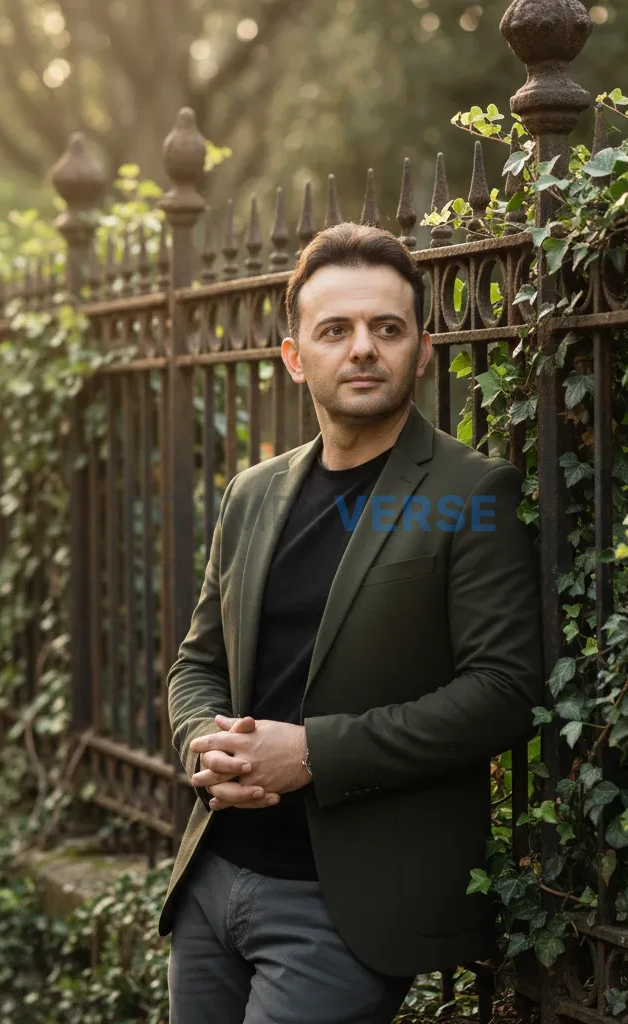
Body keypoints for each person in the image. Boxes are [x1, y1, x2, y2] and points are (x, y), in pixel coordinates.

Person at [157, 222, 543, 1023]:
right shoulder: (252, 493)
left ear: (423, 352)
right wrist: (202, 741)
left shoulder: (473, 493)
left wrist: (313, 754)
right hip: (211, 878)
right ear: (295, 355)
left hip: (344, 910)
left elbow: (504, 693)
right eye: (335, 329)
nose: (363, 348)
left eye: (387, 328)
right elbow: (197, 663)